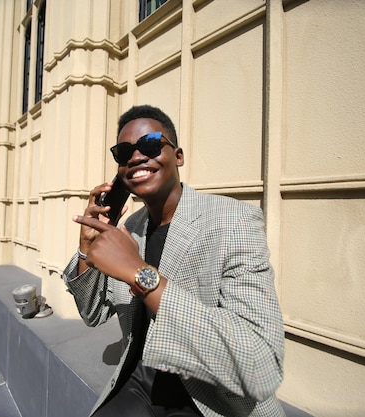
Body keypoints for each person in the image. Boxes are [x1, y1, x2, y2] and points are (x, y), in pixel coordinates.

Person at [63, 105, 285, 417]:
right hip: (140, 383)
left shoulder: (232, 220)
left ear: (177, 155)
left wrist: (138, 272)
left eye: (152, 144)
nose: (137, 157)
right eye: (124, 152)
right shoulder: (128, 231)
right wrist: (87, 248)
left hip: (209, 398)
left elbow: (261, 365)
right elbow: (92, 314)